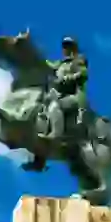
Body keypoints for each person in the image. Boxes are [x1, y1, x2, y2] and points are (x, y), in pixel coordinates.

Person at [26, 36, 89, 172]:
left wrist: (67, 79)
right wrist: (32, 52)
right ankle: (39, 159)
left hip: (73, 97)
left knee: (56, 105)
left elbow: (83, 74)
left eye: (68, 46)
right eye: (64, 46)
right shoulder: (60, 64)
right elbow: (46, 65)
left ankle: (55, 134)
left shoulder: (79, 60)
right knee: (40, 111)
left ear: (74, 48)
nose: (65, 49)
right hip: (60, 95)